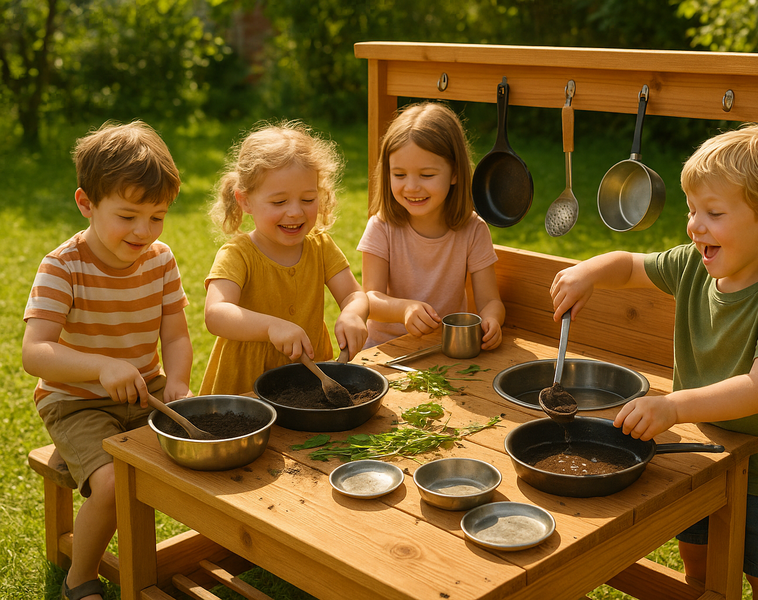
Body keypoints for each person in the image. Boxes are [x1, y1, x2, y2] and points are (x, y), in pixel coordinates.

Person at [550, 124, 758, 600]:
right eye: (692, 209)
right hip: (700, 456)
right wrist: (589, 270)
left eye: (713, 213)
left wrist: (673, 406)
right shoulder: (694, 265)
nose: (694, 225)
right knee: (697, 562)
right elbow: (631, 265)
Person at [21, 121, 192, 600]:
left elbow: (176, 334)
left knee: (206, 442)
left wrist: (178, 380)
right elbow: (35, 353)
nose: (144, 231)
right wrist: (100, 366)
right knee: (114, 481)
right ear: (86, 203)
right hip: (76, 400)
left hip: (145, 391)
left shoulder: (160, 259)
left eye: (157, 217)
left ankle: (209, 548)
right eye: (128, 215)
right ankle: (79, 576)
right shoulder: (63, 266)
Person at [200, 120, 368, 395]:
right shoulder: (238, 254)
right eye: (279, 202)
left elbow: (353, 294)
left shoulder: (320, 246)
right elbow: (216, 314)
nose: (295, 212)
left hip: (311, 380)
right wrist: (270, 327)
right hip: (247, 387)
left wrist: (352, 314)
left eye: (308, 199)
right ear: (245, 201)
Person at [358, 102, 505, 349]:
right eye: (399, 175)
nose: (412, 187)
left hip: (446, 351)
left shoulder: (473, 230)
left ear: (455, 173)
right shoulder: (381, 227)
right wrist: (404, 310)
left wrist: (491, 320)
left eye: (426, 175)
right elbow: (369, 301)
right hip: (385, 351)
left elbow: (490, 300)